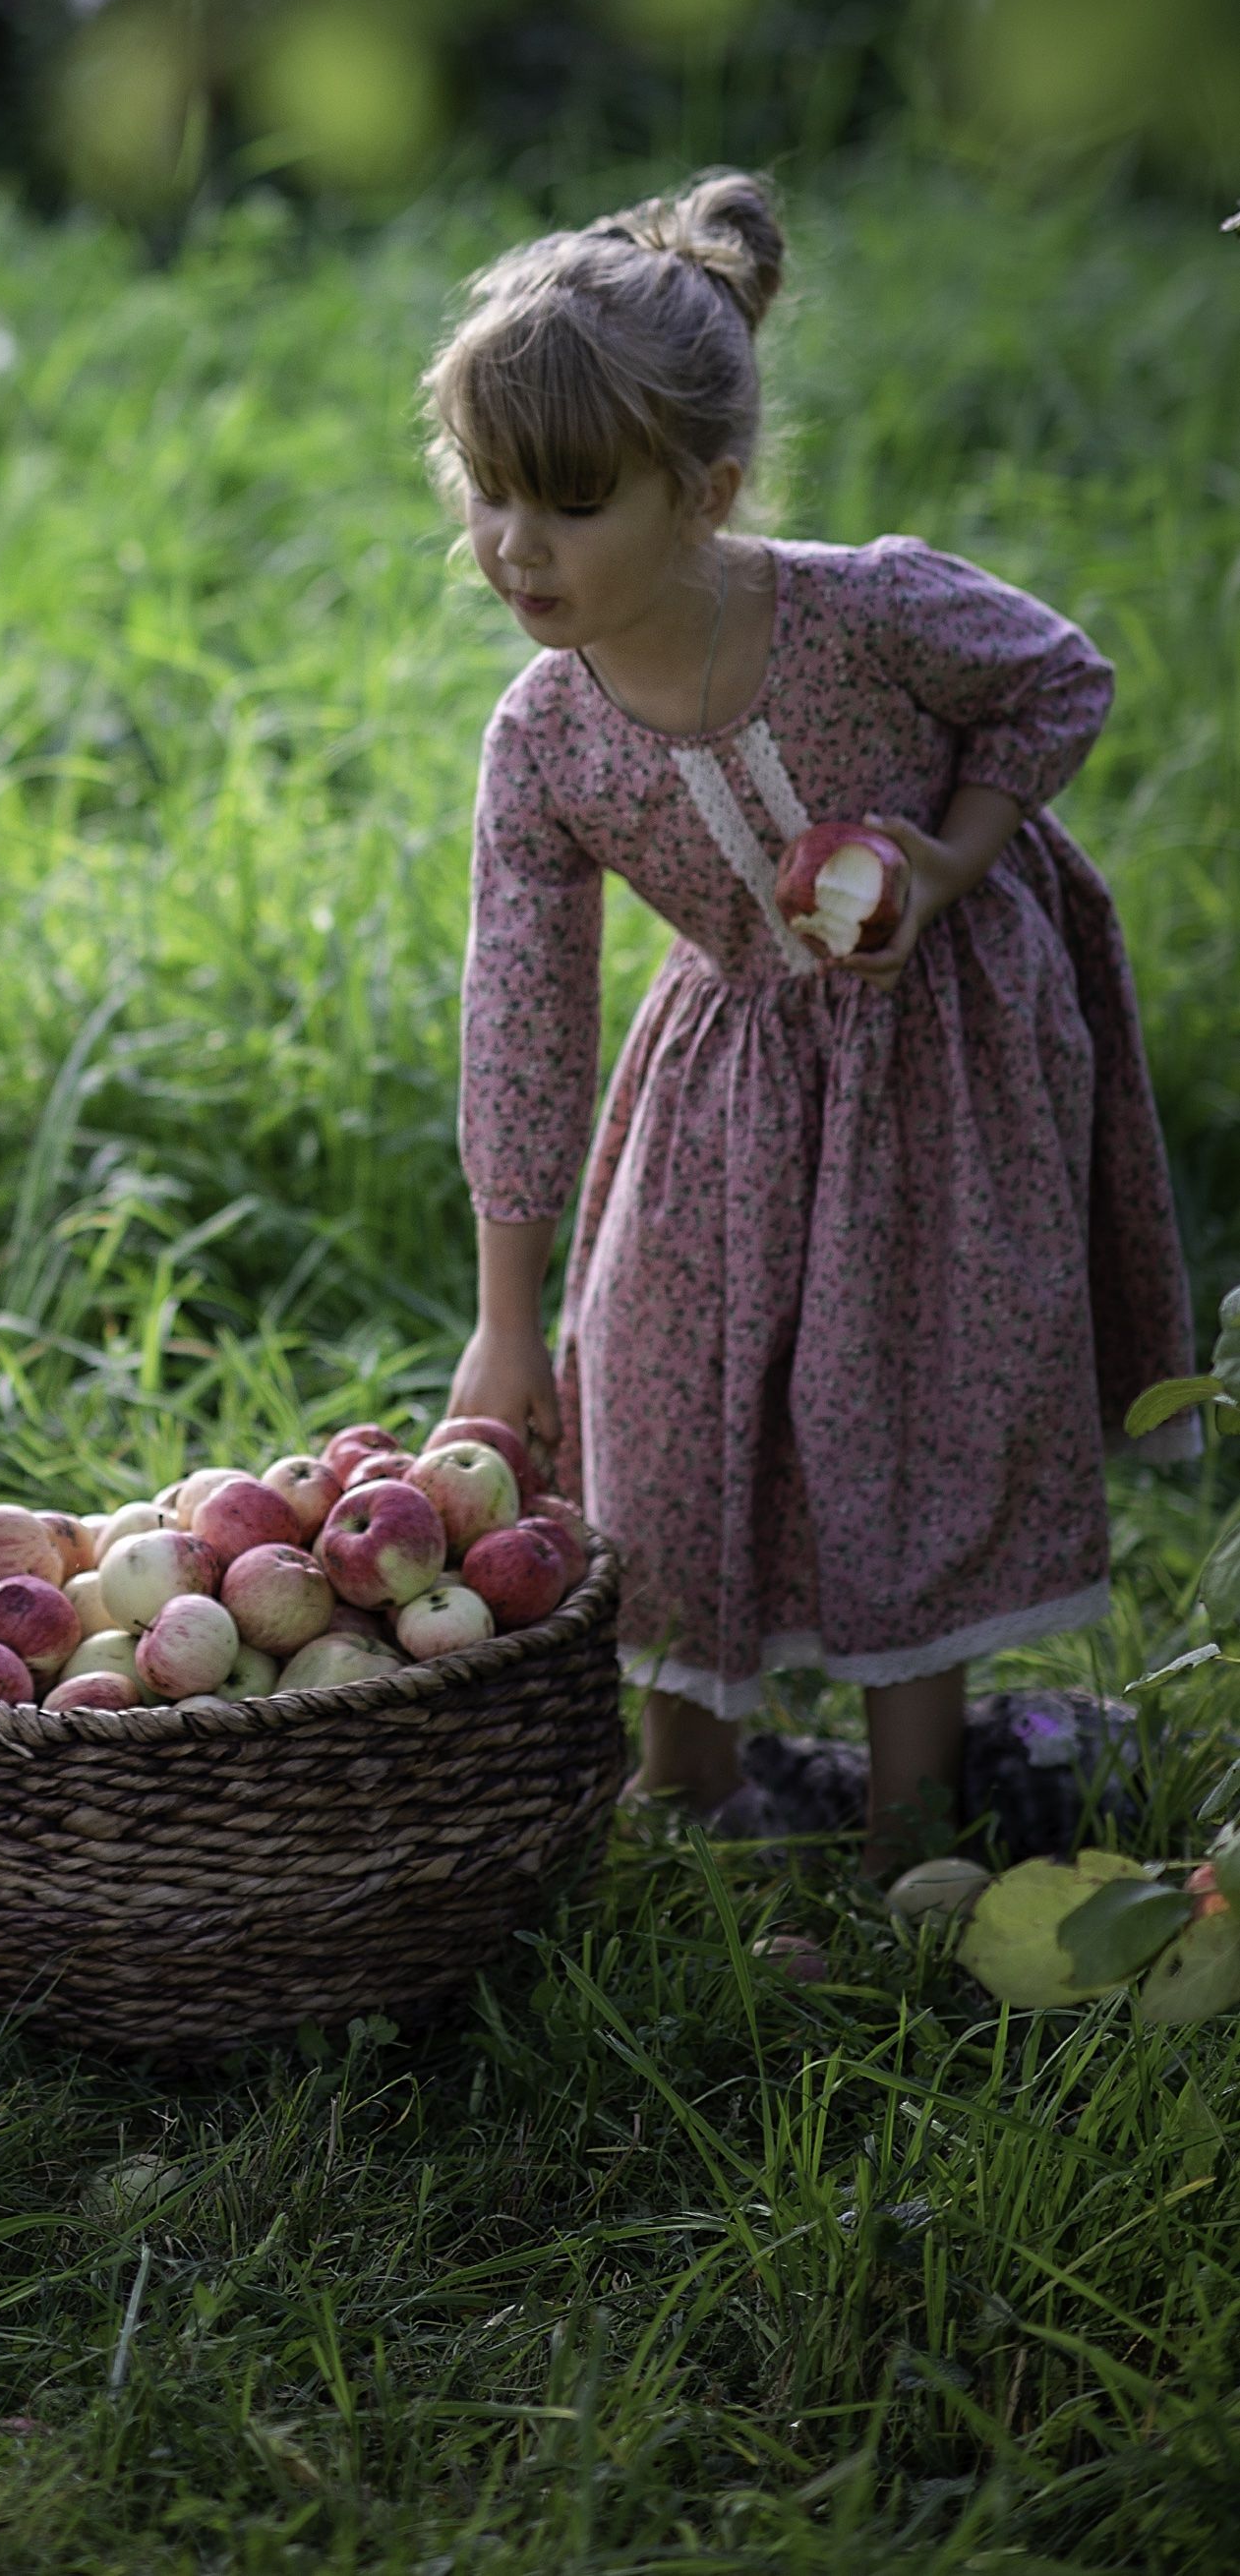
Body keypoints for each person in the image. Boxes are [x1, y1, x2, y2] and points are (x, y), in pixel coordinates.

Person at [428, 173, 1195, 1873]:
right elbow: (522, 1023)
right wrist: (505, 1321)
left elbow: (1057, 676)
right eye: (487, 494)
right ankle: (685, 1779)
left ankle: (911, 1830)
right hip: (726, 1076)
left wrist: (954, 856)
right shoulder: (545, 737)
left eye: (566, 501)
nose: (513, 546)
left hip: (951, 1059)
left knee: (903, 1402)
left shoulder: (861, 607)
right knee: (647, 1393)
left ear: (701, 494)